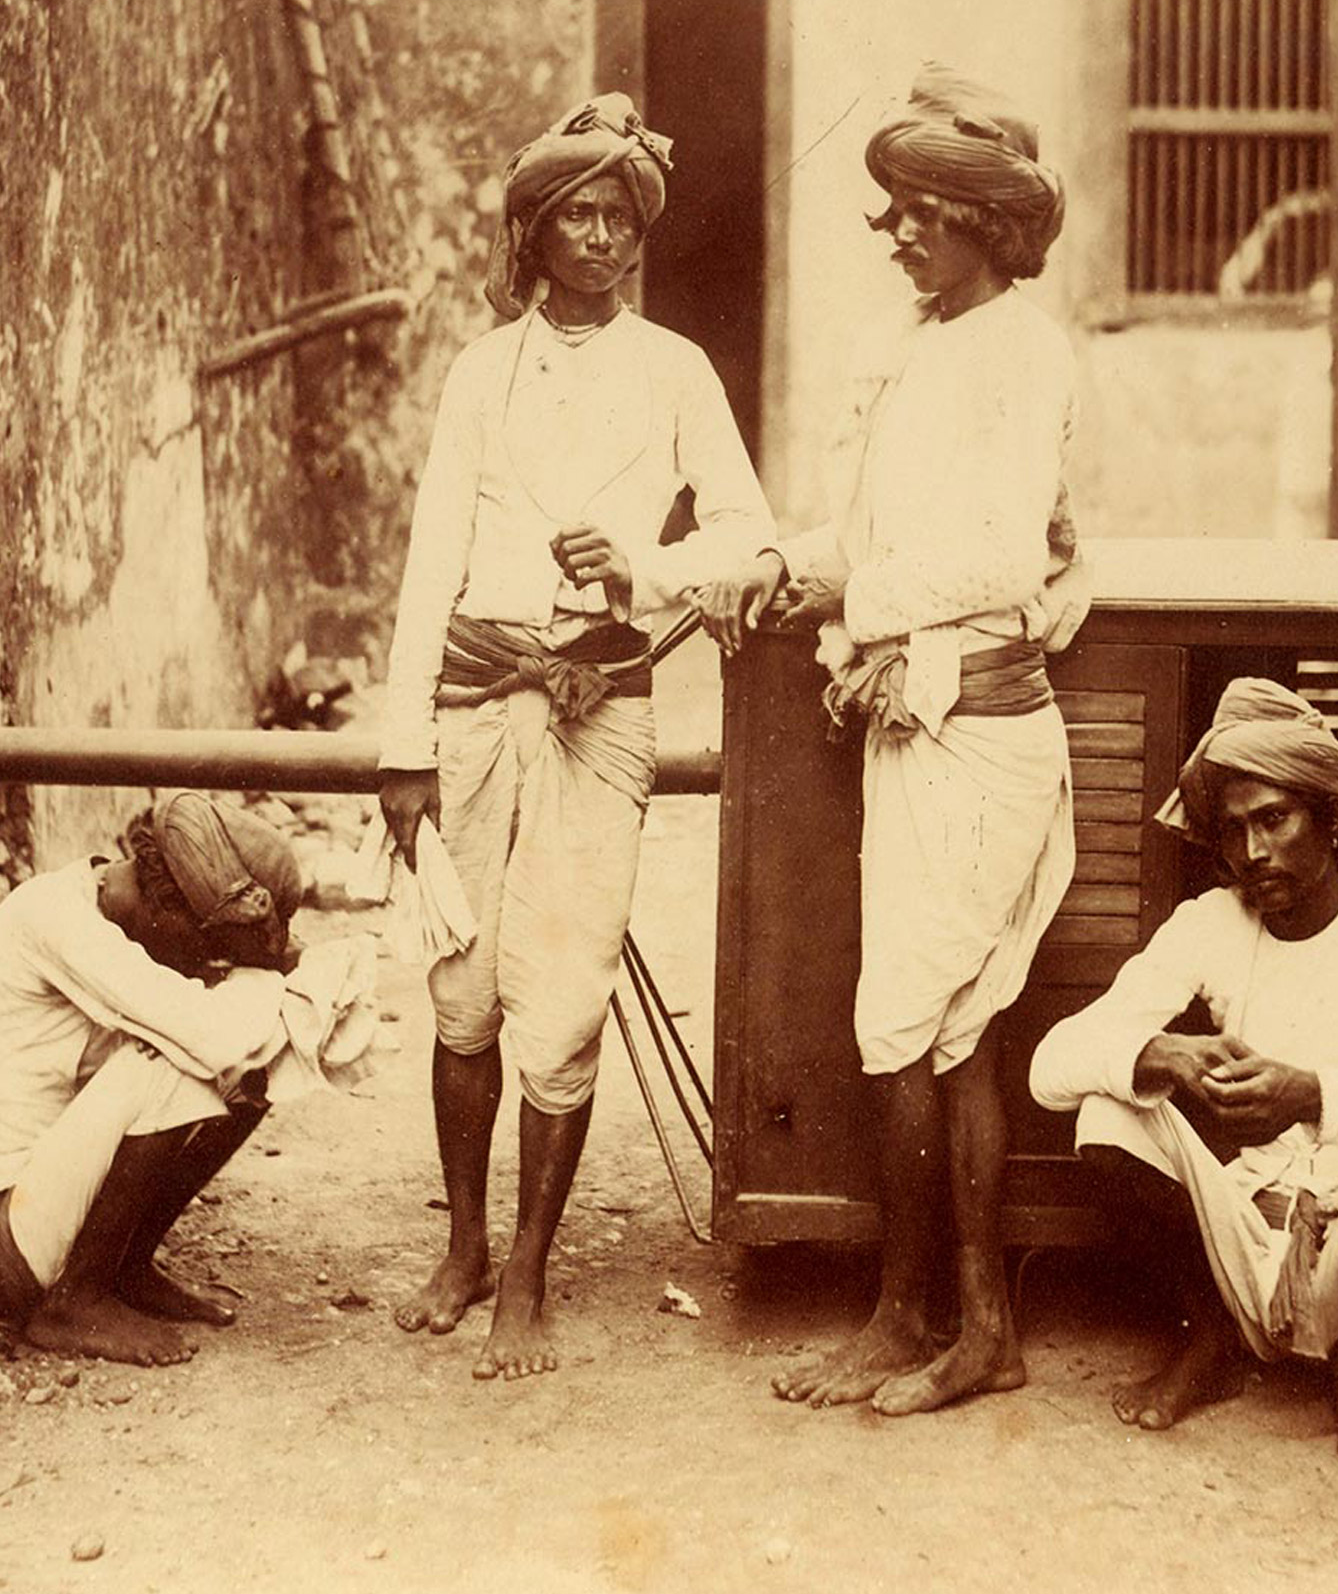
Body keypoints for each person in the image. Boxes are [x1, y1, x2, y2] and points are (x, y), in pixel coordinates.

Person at [702, 64, 1089, 1416]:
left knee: (930, 1023)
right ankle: (948, 1316)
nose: (905, 234)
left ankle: (927, 1317)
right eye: (897, 214)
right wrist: (754, 567)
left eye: (930, 211)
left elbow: (988, 558)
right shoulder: (923, 352)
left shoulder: (1027, 351)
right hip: (912, 731)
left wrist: (849, 603)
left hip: (982, 737)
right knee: (934, 1032)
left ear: (994, 221)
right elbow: (867, 546)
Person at [378, 93, 774, 1383]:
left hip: (600, 713)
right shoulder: (480, 372)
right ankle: (467, 1245)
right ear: (533, 233)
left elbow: (750, 539)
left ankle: (532, 1274)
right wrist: (402, 750)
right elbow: (433, 555)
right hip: (471, 703)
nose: (599, 238)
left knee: (564, 996)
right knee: (463, 987)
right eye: (574, 216)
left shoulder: (675, 370)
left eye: (618, 217)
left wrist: (647, 567)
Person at [1029, 678, 1338, 1458]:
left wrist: (1314, 1094)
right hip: (1246, 1244)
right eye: (1233, 830)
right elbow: (1051, 1064)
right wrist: (1161, 1053)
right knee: (1107, 1112)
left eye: (1275, 819)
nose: (1253, 852)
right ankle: (1209, 1337)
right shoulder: (1210, 923)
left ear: (1332, 815)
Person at [0, 791, 304, 1367]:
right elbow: (211, 1034)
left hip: (34, 1208)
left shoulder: (113, 907)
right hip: (6, 1242)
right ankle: (73, 1302)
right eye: (204, 945)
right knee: (179, 1058)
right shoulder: (58, 920)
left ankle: (124, 1268)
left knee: (253, 1062)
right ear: (166, 905)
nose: (205, 961)